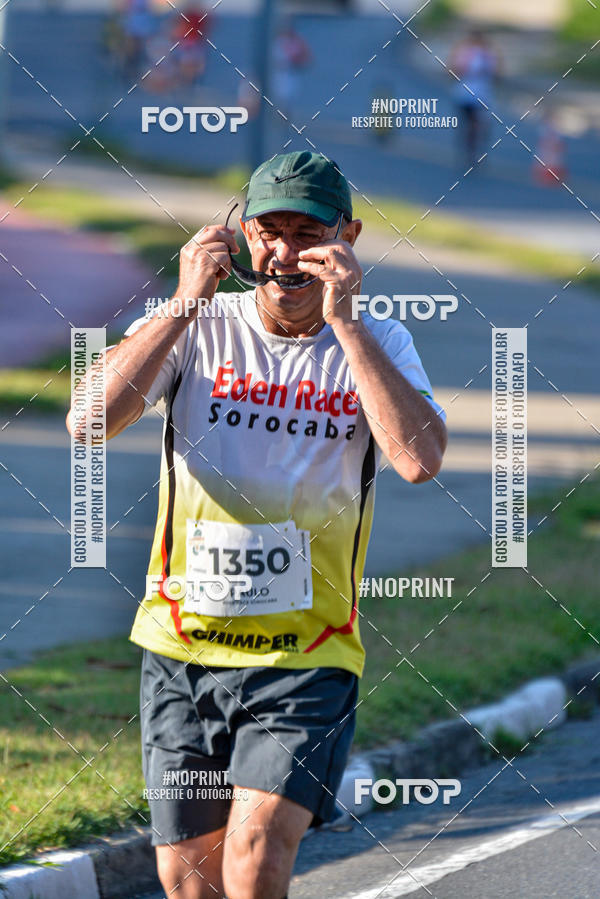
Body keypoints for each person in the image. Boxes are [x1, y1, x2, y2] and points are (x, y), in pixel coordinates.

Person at [67, 151, 447, 899]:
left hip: (306, 655)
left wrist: (347, 327)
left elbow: (419, 460)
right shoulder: (198, 325)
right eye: (271, 232)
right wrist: (181, 301)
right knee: (188, 878)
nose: (288, 253)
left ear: (350, 238)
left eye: (310, 233)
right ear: (242, 236)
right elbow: (87, 423)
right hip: (182, 645)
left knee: (256, 853)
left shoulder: (380, 342)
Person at [450, 29, 501, 164]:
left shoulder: (487, 55)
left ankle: (472, 148)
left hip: (480, 95)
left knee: (476, 123)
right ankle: (470, 148)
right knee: (471, 123)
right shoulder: (466, 52)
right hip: (466, 94)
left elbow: (497, 73)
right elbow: (453, 70)